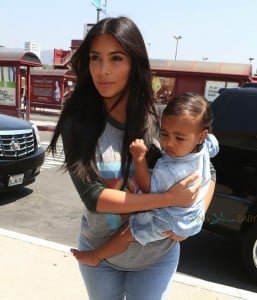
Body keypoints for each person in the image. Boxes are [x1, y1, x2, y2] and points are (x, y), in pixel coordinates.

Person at [48, 16, 216, 300]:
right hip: (100, 258)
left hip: (157, 256)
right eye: (95, 58)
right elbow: (94, 198)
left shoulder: (159, 117)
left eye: (116, 58)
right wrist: (170, 200)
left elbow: (207, 170)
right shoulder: (77, 123)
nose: (103, 70)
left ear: (134, 63)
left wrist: (194, 217)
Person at [70, 93, 219, 267]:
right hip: (190, 215)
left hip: (169, 219)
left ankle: (96, 256)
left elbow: (148, 187)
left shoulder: (174, 172)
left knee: (128, 233)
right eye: (164, 133)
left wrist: (139, 158)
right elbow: (213, 147)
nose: (169, 143)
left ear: (201, 136)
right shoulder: (205, 145)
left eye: (179, 138)